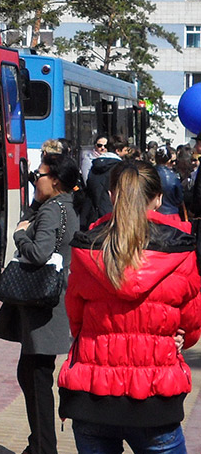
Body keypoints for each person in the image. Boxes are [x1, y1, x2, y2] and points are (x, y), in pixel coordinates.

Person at [58, 160, 201, 454]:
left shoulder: (87, 248)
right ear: (159, 199)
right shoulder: (180, 251)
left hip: (92, 396)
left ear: (112, 196)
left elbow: (76, 320)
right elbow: (191, 327)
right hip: (155, 400)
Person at [0, 152, 79, 454]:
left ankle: (43, 448)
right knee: (32, 373)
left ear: (54, 180)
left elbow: (39, 253)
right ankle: (38, 444)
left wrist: (19, 236)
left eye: (37, 176)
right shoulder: (61, 205)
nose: (33, 180)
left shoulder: (52, 211)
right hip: (53, 303)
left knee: (36, 378)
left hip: (44, 306)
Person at [82, 135, 124, 229]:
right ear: (118, 150)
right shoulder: (120, 168)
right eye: (99, 145)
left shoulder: (94, 165)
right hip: (112, 217)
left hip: (93, 217)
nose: (102, 148)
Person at [153, 147, 183, 219]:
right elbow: (179, 198)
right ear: (169, 160)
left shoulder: (149, 173)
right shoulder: (174, 176)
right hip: (171, 214)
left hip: (152, 213)